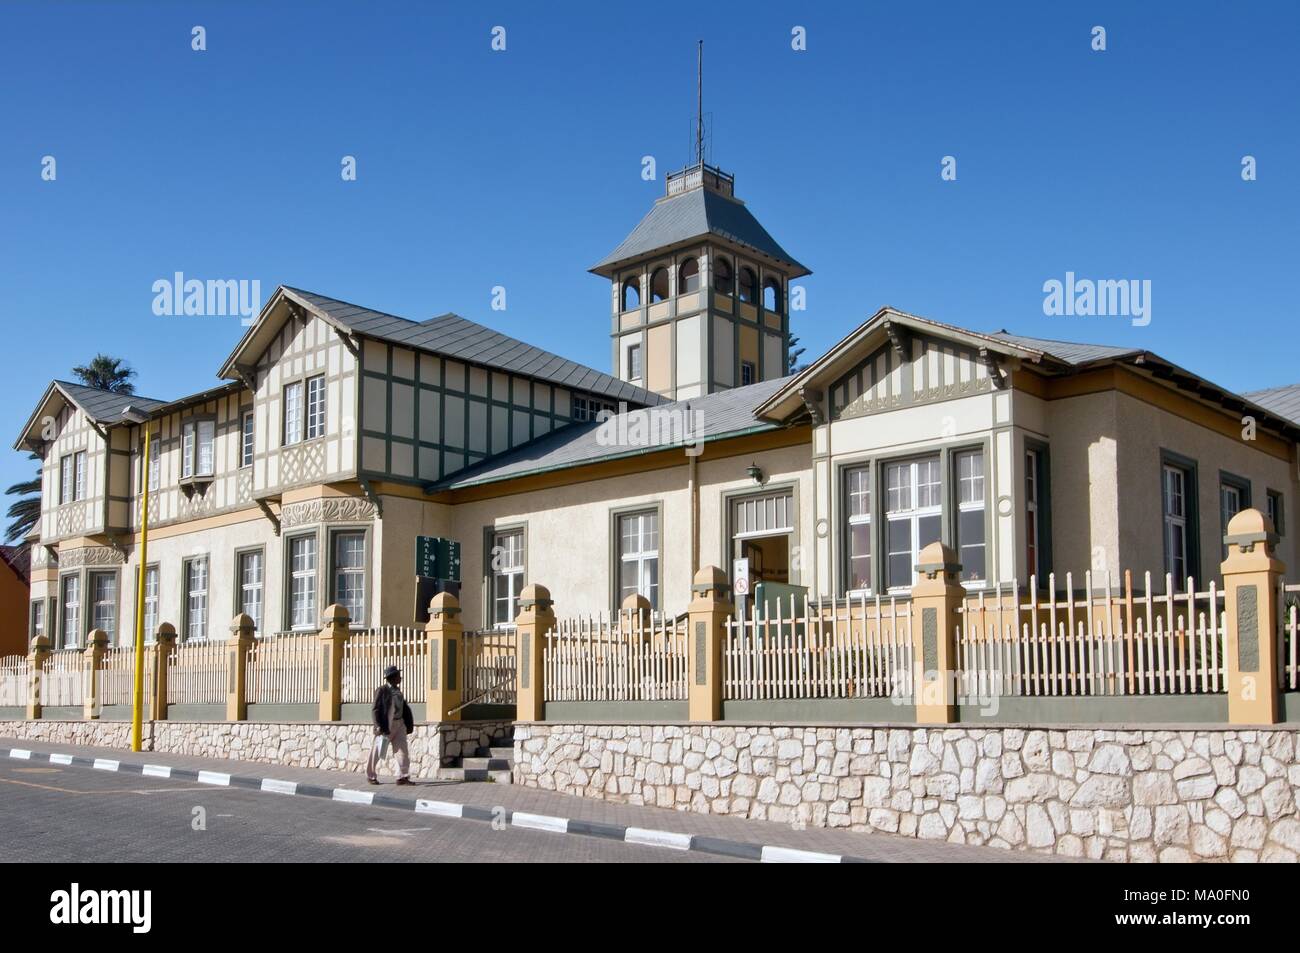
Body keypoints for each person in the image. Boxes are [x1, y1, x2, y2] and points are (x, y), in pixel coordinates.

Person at [367, 665, 415, 785]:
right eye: (398, 675)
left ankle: (402, 776)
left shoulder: (398, 691)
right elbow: (375, 709)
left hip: (399, 724)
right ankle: (371, 775)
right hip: (386, 725)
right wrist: (378, 725)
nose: (400, 677)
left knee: (402, 750)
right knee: (378, 750)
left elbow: (403, 708)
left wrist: (407, 723)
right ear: (392, 678)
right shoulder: (382, 690)